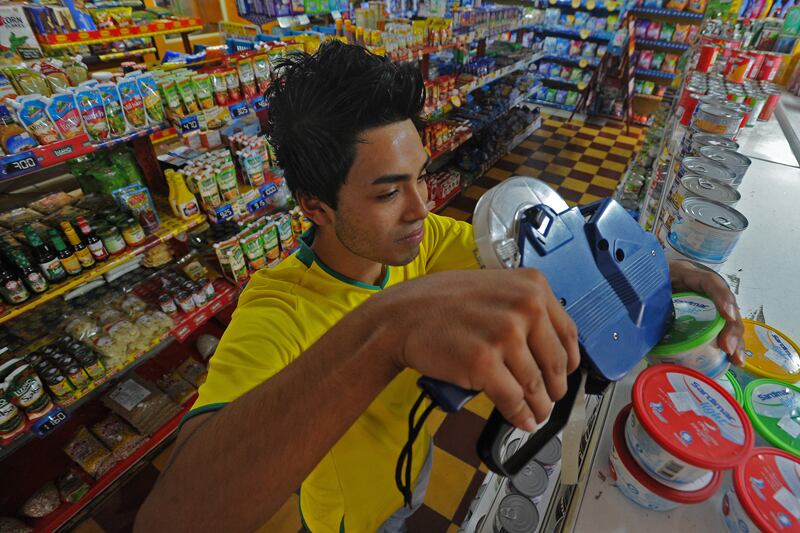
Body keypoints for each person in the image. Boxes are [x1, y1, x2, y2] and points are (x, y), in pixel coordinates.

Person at [135, 41, 744, 533]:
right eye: (387, 192)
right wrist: (385, 329)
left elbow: (559, 245)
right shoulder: (276, 310)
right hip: (350, 518)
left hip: (413, 471)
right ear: (314, 206)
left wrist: (667, 265)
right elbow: (173, 519)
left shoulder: (426, 244)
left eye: (420, 178)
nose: (421, 207)